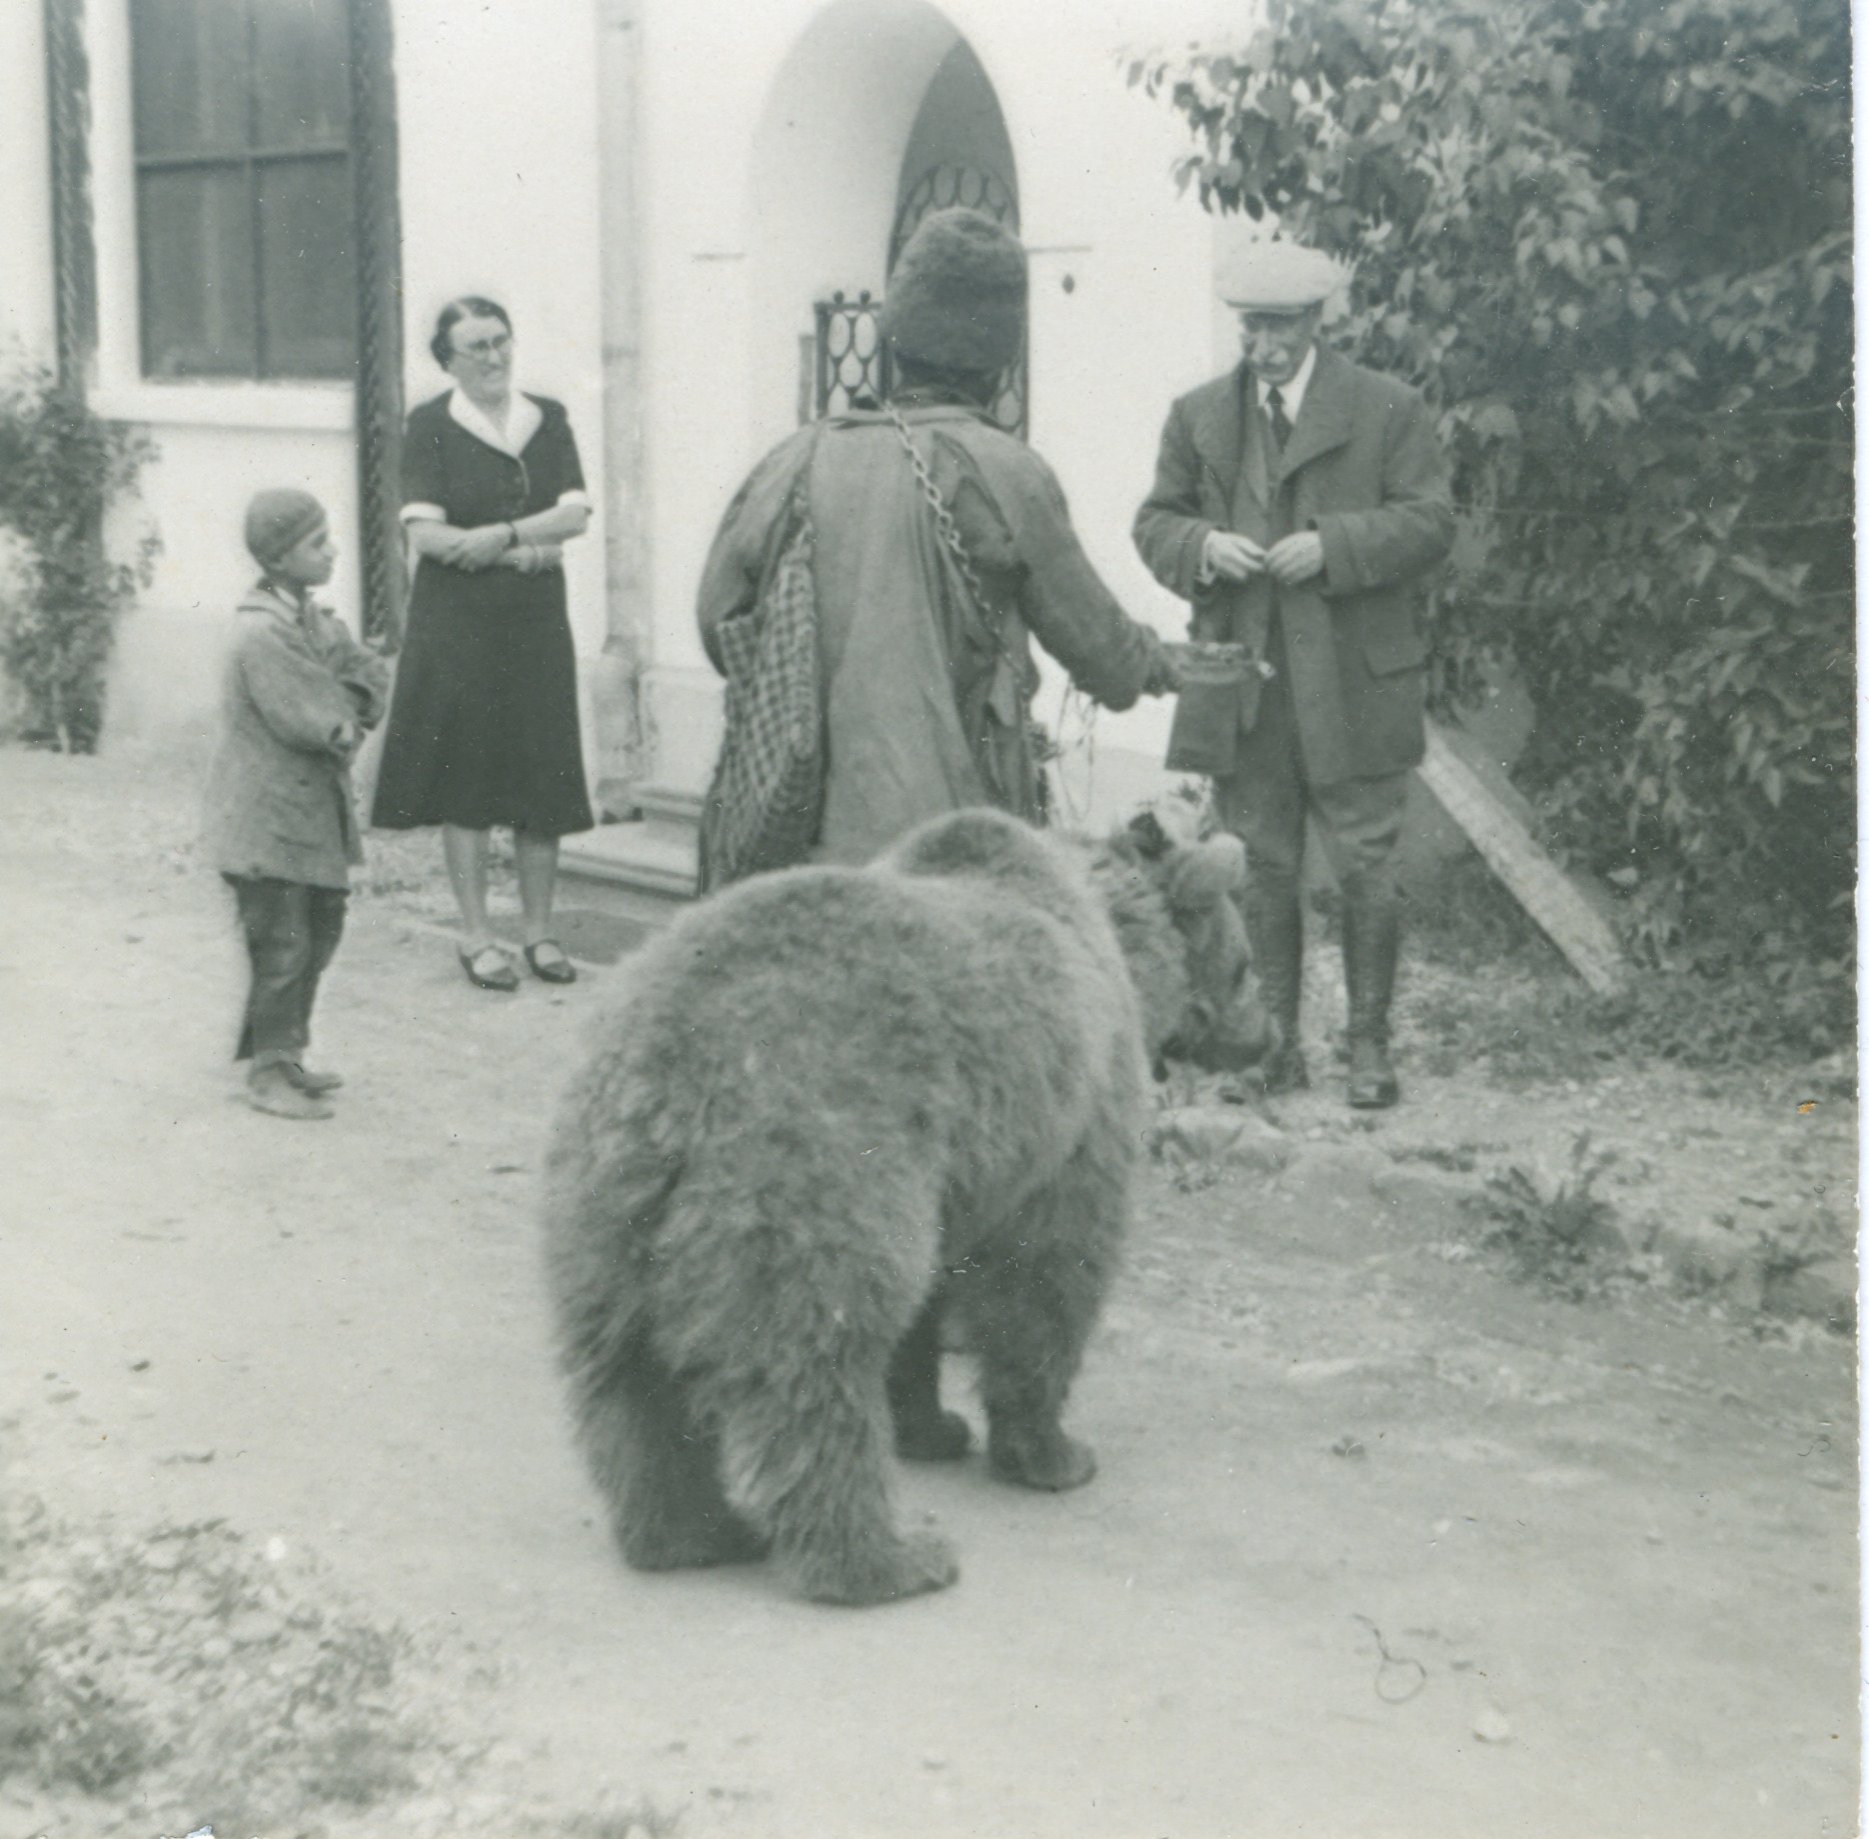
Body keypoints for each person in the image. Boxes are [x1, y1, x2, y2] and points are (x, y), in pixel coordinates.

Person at [695, 208, 1179, 874]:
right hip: (956, 848)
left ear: (892, 341)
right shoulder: (1009, 473)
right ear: (1001, 363)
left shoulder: (796, 458)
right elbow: (1109, 661)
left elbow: (716, 620)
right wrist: (1168, 664)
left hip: (791, 840)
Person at [1133, 242, 1454, 1108]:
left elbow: (1429, 522)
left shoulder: (1387, 409)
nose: (1262, 344)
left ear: (1318, 322)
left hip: (1354, 683)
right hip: (1247, 685)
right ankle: (1274, 1047)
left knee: (1365, 867)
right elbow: (1154, 522)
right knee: (1262, 866)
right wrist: (1202, 545)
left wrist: (1334, 545)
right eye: (1250, 327)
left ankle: (1368, 1049)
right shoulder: (1199, 415)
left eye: (1278, 326)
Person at [371, 296, 594, 991]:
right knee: (466, 772)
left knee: (541, 769)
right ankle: (475, 933)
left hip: (533, 623)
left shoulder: (545, 418)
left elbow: (575, 513)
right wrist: (528, 550)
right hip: (459, 624)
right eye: (477, 347)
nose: (494, 356)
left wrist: (500, 537)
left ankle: (539, 931)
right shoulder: (431, 425)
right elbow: (428, 538)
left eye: (501, 340)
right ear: (449, 361)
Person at [202, 489, 389, 1120]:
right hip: (267, 822)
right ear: (281, 559)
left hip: (307, 818)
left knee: (319, 931)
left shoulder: (311, 619)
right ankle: (266, 1071)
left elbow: (366, 676)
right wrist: (344, 711)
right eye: (317, 543)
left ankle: (287, 1055)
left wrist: (350, 701)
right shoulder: (263, 632)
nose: (332, 550)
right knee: (282, 945)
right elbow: (319, 718)